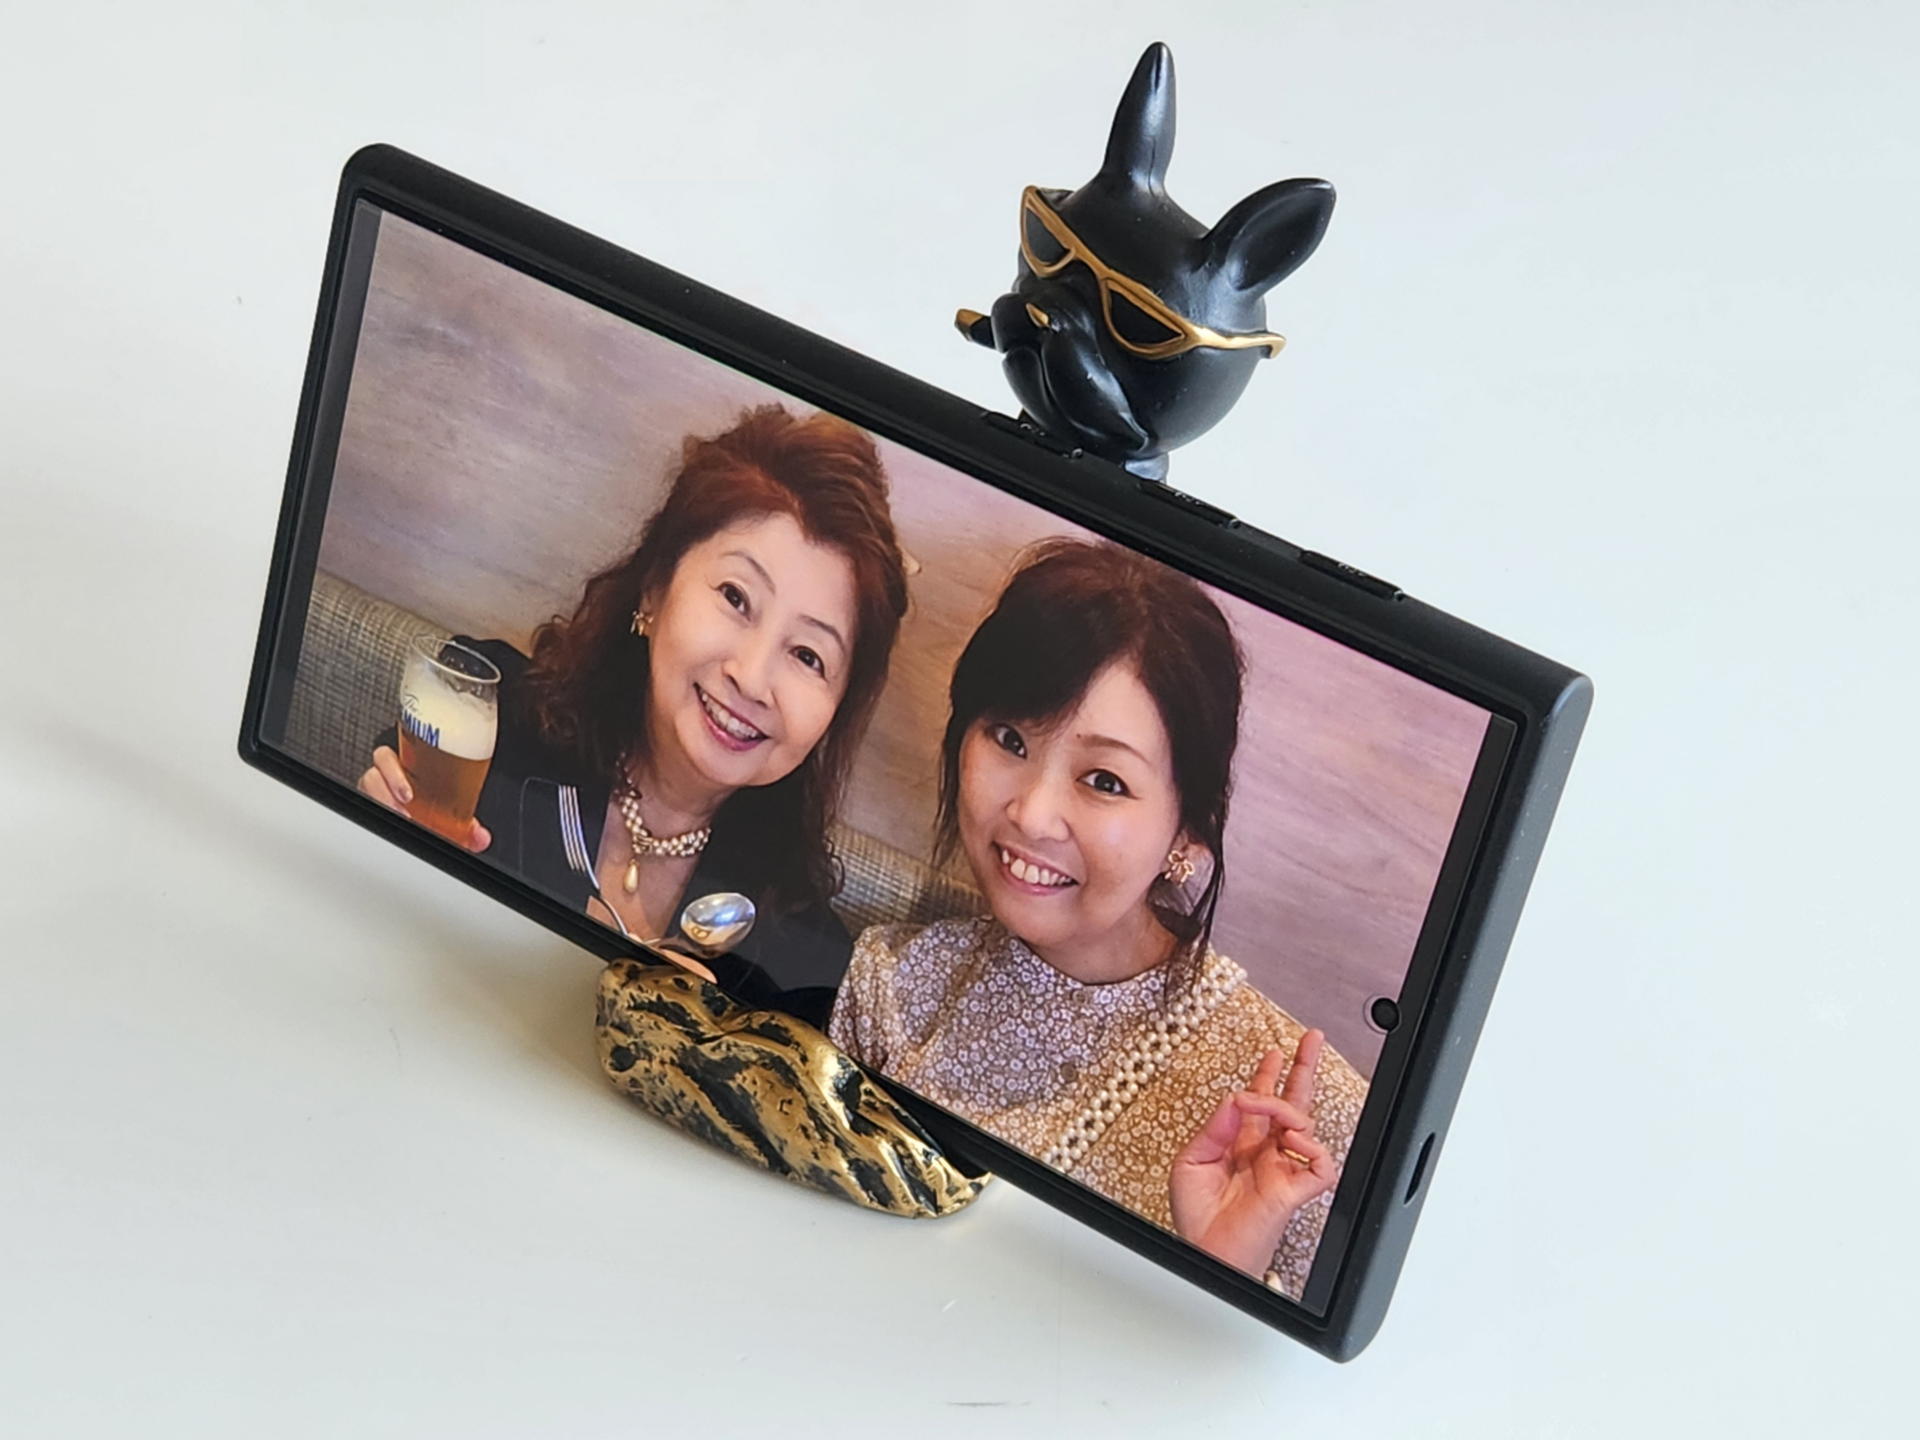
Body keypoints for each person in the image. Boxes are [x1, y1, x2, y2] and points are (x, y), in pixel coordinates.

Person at [829, 538, 1368, 1299]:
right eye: (1010, 739)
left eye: (1105, 780)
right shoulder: (891, 985)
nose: (1031, 813)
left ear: (1188, 834)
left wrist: (1226, 1275)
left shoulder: (1303, 1117)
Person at [361, 405, 910, 1023]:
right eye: (736, 598)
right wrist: (382, 849)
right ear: (654, 588)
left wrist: (706, 1053)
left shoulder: (800, 967)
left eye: (808, 655)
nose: (752, 678)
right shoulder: (488, 726)